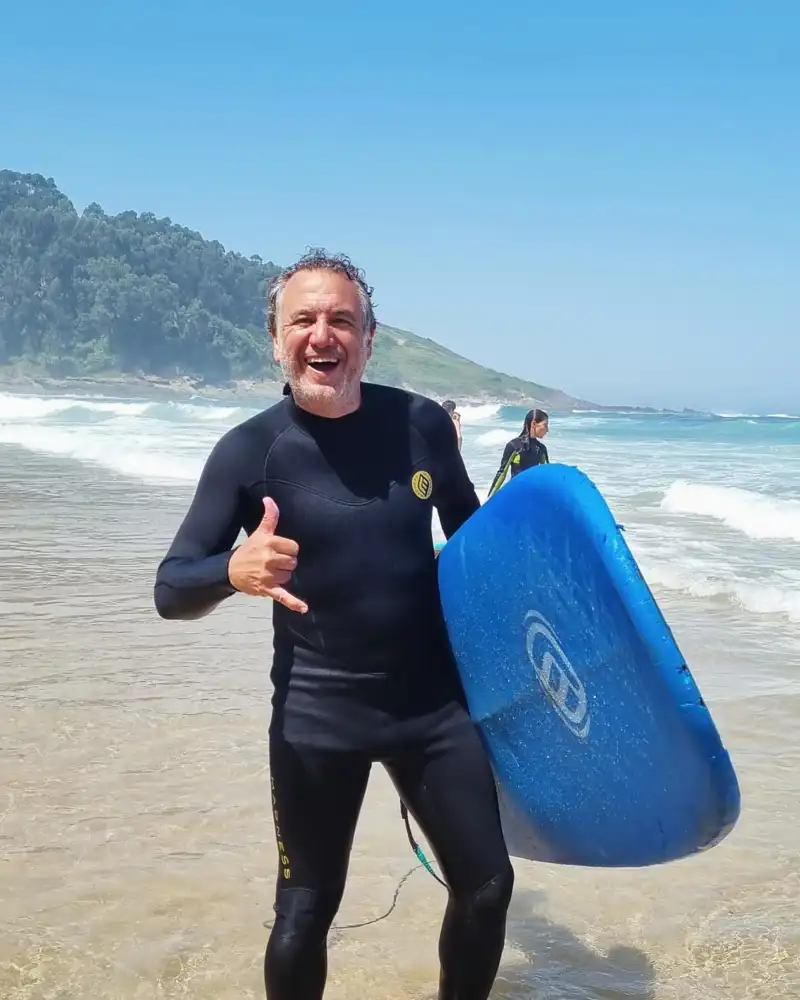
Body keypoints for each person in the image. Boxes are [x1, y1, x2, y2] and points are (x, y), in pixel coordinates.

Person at [153, 249, 513, 1000]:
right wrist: (232, 571)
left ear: (370, 337)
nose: (324, 335)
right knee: (305, 914)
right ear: (277, 339)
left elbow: (476, 545)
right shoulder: (250, 453)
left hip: (434, 710)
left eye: (342, 320)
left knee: (486, 889)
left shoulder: (421, 426)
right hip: (320, 717)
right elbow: (170, 587)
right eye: (305, 320)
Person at [487, 407, 549, 498]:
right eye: (545, 425)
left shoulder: (541, 449)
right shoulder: (514, 446)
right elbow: (502, 474)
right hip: (515, 495)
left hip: (532, 495)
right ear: (534, 424)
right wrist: (489, 500)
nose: (547, 430)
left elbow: (546, 476)